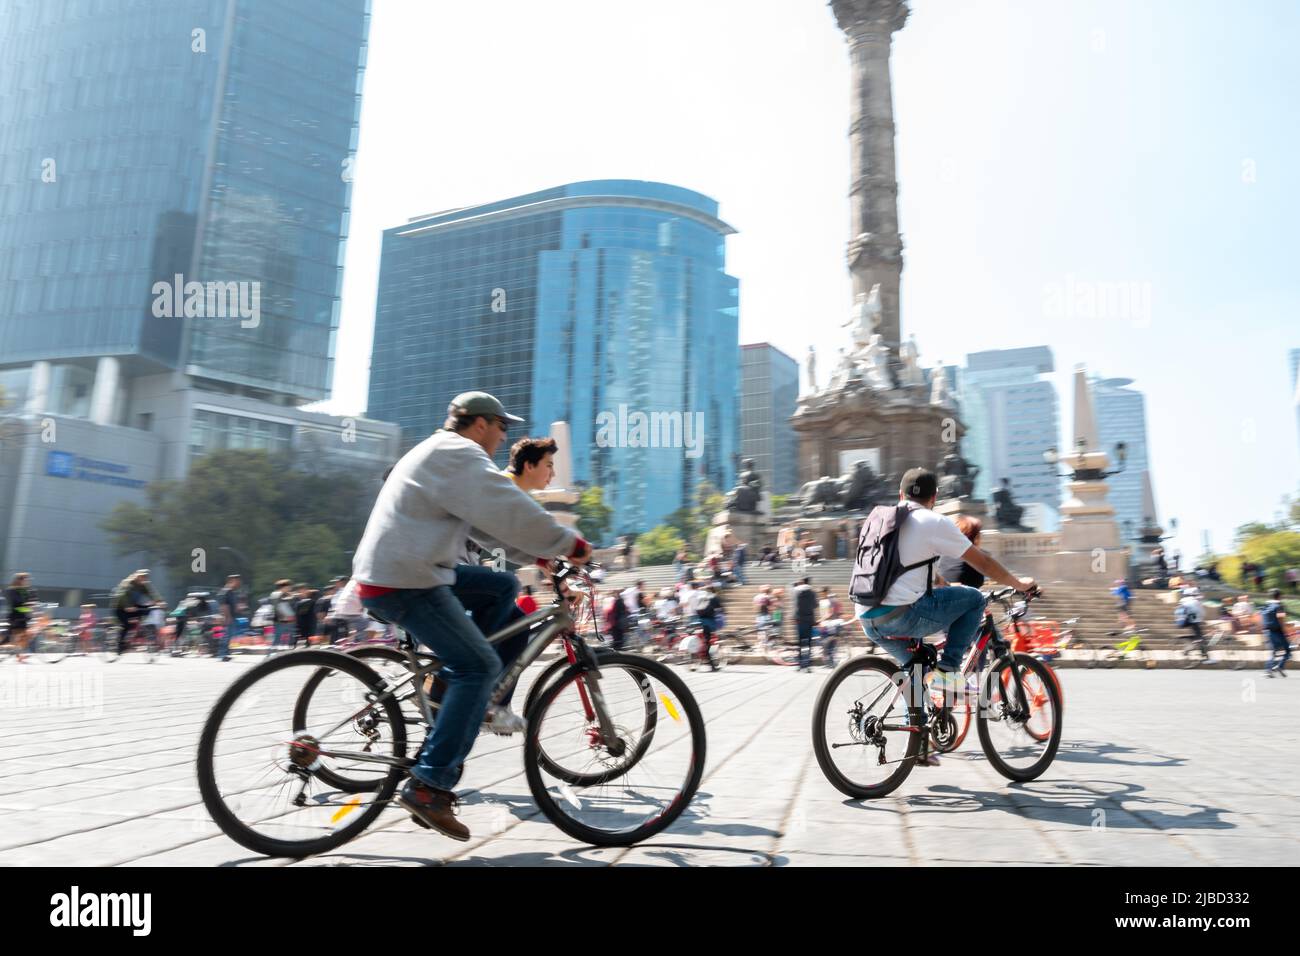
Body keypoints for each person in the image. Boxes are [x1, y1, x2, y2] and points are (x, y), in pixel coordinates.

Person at [352, 390, 589, 841]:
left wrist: (537, 557)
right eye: (502, 427)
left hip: (411, 569)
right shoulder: (459, 453)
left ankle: (454, 682)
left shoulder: (444, 451)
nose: (504, 437)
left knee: (502, 586)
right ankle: (429, 786)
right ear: (480, 424)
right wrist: (569, 545)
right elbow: (510, 510)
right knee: (478, 666)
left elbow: (484, 529)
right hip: (406, 578)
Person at [853, 468, 1035, 696]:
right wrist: (1019, 583)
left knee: (918, 673)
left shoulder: (880, 519)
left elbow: (907, 569)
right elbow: (984, 563)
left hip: (866, 615)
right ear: (934, 497)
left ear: (901, 495)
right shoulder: (934, 522)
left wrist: (948, 590)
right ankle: (949, 672)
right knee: (976, 599)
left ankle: (917, 727)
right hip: (903, 615)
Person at [112, 569, 163, 655]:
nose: (144, 578)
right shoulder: (128, 583)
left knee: (148, 608)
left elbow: (152, 594)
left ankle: (138, 631)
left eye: (145, 577)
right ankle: (119, 646)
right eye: (142, 576)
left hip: (133, 607)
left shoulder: (144, 585)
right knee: (127, 625)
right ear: (137, 576)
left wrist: (159, 601)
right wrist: (127, 606)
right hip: (120, 608)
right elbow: (122, 595)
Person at [936, 516, 985, 588]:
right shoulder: (973, 557)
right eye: (979, 534)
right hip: (966, 597)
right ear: (975, 537)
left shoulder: (945, 555)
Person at [4, 572, 36, 663]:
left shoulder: (24, 590)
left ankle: (19, 655)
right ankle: (19, 655)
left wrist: (30, 605)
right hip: (16, 617)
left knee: (19, 637)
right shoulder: (12, 590)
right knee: (17, 638)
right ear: (19, 580)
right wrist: (27, 607)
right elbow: (17, 604)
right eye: (25, 579)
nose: (27, 581)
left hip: (22, 617)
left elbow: (28, 601)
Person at [216, 574, 245, 661]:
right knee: (226, 636)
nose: (239, 583)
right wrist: (227, 617)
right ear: (232, 580)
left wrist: (238, 609)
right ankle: (222, 654)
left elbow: (232, 605)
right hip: (227, 617)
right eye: (237, 581)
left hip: (231, 616)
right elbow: (224, 605)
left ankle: (226, 653)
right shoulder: (226, 591)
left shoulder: (231, 592)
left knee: (228, 636)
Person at [1176, 587, 1208, 663]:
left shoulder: (1183, 600)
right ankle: (1201, 653)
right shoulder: (1195, 600)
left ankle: (1202, 652)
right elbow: (1200, 611)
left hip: (1184, 620)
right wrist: (1202, 619)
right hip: (1192, 620)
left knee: (1199, 636)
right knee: (1200, 637)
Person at [1262, 588, 1290, 677]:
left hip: (1267, 631)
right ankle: (1279, 667)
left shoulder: (1266, 606)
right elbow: (1281, 620)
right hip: (1278, 631)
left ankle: (1269, 670)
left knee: (1274, 651)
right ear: (1279, 596)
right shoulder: (1279, 606)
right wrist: (1286, 632)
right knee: (1287, 651)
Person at [794, 576, 818, 672]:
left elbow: (795, 605)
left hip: (800, 620)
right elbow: (815, 605)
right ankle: (807, 665)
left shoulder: (797, 592)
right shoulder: (812, 593)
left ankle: (800, 665)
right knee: (808, 643)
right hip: (809, 620)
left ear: (802, 582)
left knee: (800, 643)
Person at [268, 579, 296, 652]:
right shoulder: (277, 594)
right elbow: (277, 606)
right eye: (289, 587)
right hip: (280, 620)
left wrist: (291, 596)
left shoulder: (280, 594)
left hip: (284, 620)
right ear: (285, 587)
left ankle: (276, 653)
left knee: (284, 638)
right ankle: (271, 654)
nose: (290, 588)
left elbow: (283, 602)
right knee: (278, 638)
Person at [819, 587, 844, 668]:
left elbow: (830, 613)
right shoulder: (822, 601)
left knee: (830, 643)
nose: (821, 594)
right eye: (821, 593)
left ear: (826, 592)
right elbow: (822, 613)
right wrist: (821, 621)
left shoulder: (830, 601)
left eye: (822, 593)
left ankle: (831, 661)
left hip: (829, 624)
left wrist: (822, 619)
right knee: (824, 643)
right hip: (824, 624)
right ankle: (828, 661)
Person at [293, 584, 318, 649]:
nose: (302, 593)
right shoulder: (297, 600)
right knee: (297, 644)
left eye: (304, 591)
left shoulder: (311, 600)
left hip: (309, 625)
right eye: (300, 591)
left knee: (309, 644)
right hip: (300, 625)